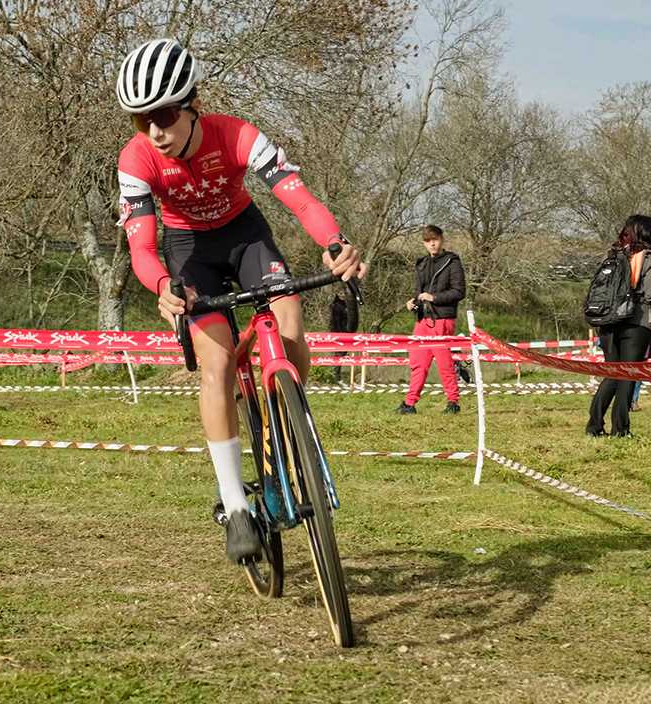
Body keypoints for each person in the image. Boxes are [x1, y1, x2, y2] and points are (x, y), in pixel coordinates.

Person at [115, 38, 365, 564]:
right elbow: (140, 244)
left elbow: (299, 197)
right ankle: (234, 507)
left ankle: (289, 421)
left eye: (162, 115)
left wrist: (334, 243)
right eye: (142, 120)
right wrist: (163, 286)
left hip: (246, 235)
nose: (154, 131)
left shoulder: (237, 136)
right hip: (189, 254)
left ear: (191, 105)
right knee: (217, 362)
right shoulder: (136, 159)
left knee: (291, 323)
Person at [587, 215, 651, 437]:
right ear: (648, 233)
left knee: (611, 374)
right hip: (636, 322)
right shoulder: (647, 257)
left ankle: (594, 426)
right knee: (628, 374)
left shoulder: (612, 255)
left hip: (608, 323)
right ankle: (621, 429)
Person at [398, 225, 465, 415]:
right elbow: (419, 294)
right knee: (418, 363)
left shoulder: (452, 262)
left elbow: (459, 292)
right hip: (423, 319)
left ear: (442, 239)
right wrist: (413, 304)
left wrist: (434, 298)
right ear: (424, 243)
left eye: (434, 239)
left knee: (444, 363)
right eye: (428, 241)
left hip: (443, 319)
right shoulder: (421, 264)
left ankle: (453, 402)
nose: (432, 244)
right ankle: (410, 404)